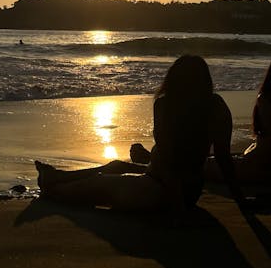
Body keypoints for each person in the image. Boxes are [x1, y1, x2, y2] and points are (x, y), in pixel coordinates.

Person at [35, 55, 245, 221]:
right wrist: (241, 200)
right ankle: (56, 175)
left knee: (92, 187)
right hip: (190, 192)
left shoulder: (165, 105)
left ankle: (53, 186)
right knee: (116, 165)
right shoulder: (216, 106)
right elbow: (223, 158)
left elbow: (170, 161)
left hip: (155, 191)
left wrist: (177, 209)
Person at [132, 53, 271, 184]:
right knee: (222, 158)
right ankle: (148, 159)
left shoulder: (267, 100)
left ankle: (147, 160)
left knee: (200, 164)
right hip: (267, 164)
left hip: (258, 168)